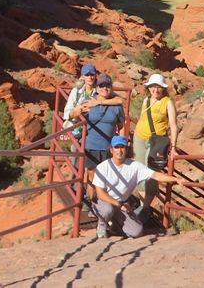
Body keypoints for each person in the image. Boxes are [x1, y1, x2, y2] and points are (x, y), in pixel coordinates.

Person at [92, 136, 188, 239]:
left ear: (127, 149)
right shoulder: (102, 167)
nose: (119, 150)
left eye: (122, 147)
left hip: (122, 203)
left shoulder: (134, 166)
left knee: (136, 232)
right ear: (111, 150)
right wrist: (120, 205)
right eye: (116, 147)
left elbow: (155, 175)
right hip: (105, 202)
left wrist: (176, 179)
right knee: (108, 209)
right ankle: (101, 227)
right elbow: (100, 194)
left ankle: (115, 226)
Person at [68, 73, 125, 203]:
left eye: (108, 85)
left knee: (107, 175)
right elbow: (74, 115)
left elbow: (121, 125)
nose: (105, 88)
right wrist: (74, 113)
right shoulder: (88, 101)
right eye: (102, 85)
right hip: (91, 144)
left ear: (111, 87)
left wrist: (121, 143)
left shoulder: (116, 105)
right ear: (97, 87)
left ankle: (105, 202)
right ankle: (93, 202)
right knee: (92, 173)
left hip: (108, 146)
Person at [132, 73, 179, 220]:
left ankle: (145, 208)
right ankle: (142, 208)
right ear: (149, 88)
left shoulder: (167, 102)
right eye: (153, 86)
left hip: (156, 142)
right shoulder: (146, 101)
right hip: (140, 139)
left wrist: (174, 146)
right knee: (139, 171)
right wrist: (134, 139)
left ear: (163, 89)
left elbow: (173, 125)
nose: (155, 90)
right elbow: (141, 119)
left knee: (150, 172)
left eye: (158, 87)